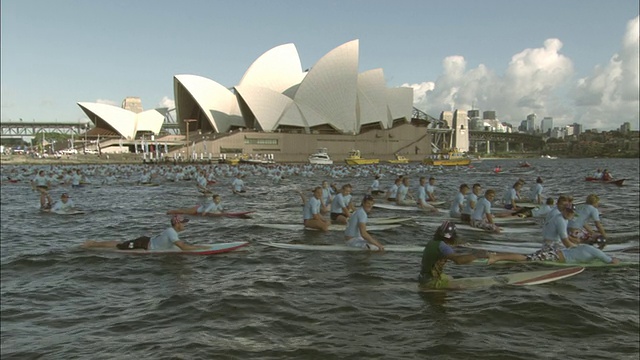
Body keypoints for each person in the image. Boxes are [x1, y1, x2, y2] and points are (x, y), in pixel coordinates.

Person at [418, 221, 489, 289]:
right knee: (461, 287)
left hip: (423, 277)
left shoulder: (432, 242)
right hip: (431, 281)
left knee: (450, 278)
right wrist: (477, 255)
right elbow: (458, 261)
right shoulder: (443, 247)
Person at [82, 215, 209, 251]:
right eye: (183, 222)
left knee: (121, 243)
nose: (185, 224)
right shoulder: (171, 232)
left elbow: (179, 244)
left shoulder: (172, 232)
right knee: (119, 246)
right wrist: (200, 247)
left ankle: (94, 243)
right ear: (177, 224)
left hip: (147, 241)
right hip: (143, 244)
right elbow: (183, 247)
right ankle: (93, 244)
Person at [487, 240, 619, 265]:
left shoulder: (584, 246)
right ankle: (496, 257)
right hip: (554, 255)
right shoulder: (596, 251)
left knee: (528, 257)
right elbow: (610, 262)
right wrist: (616, 260)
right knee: (526, 258)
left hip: (554, 251)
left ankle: (496, 255)